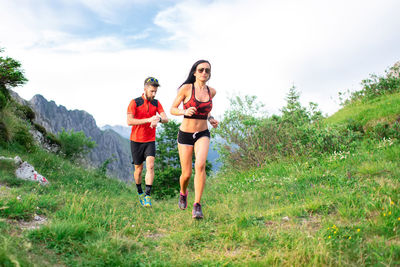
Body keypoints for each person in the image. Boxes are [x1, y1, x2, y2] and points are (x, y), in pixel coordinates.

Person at [170, 60, 219, 219]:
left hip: (202, 133)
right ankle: (183, 192)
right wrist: (184, 111)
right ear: (195, 72)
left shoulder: (211, 92)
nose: (204, 72)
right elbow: (172, 109)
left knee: (200, 165)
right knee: (186, 174)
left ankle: (197, 205)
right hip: (185, 134)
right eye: (201, 70)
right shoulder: (186, 89)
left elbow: (206, 111)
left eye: (207, 70)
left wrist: (211, 118)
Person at [127, 77, 168, 207]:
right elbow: (129, 121)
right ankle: (139, 192)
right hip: (136, 140)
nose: (154, 94)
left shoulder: (156, 103)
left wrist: (158, 119)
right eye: (152, 91)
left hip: (150, 140)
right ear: (145, 89)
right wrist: (148, 119)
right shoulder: (135, 102)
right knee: (138, 169)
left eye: (155, 91)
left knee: (150, 166)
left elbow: (166, 118)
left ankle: (147, 196)